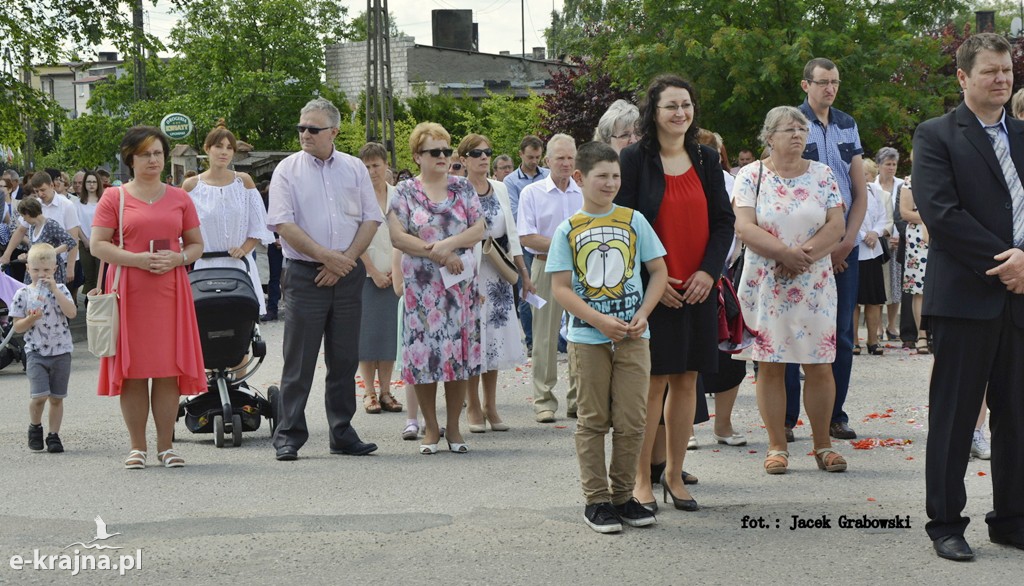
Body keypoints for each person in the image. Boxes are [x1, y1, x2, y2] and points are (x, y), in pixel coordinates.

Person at [913, 32, 1024, 561]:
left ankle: (1011, 518)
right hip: (964, 298)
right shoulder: (937, 135)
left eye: (1007, 70)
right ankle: (946, 524)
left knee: (1018, 416)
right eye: (990, 72)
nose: (1001, 79)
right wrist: (1010, 261)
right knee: (955, 416)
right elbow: (942, 212)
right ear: (963, 77)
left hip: (1021, 299)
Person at [616, 75, 735, 512]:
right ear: (654, 111)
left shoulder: (705, 158)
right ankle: (641, 479)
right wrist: (653, 284)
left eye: (686, 105)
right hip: (655, 292)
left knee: (688, 384)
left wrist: (709, 271)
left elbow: (724, 222)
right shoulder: (633, 159)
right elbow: (624, 225)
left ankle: (674, 474)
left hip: (700, 288)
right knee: (653, 385)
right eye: (671, 106)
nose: (680, 113)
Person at [548, 141, 668, 533]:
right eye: (602, 176)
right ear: (580, 178)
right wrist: (599, 321)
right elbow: (561, 289)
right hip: (588, 338)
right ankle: (596, 500)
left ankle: (622, 496)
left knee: (633, 419)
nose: (611, 183)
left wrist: (643, 313)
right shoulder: (568, 229)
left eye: (616, 176)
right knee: (593, 419)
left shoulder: (634, 220)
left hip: (635, 336)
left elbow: (659, 272)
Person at [734, 105, 848, 475]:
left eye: (802, 129)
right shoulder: (752, 175)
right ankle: (776, 445)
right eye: (789, 129)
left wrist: (802, 257)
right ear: (770, 138)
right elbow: (745, 226)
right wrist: (783, 253)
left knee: (818, 364)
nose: (799, 135)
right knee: (770, 365)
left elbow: (836, 225)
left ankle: (823, 446)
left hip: (813, 282)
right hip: (767, 282)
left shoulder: (823, 174)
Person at [267, 98, 383, 461]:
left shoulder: (353, 168)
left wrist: (344, 261)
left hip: (347, 275)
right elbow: (283, 224)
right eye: (301, 127)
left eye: (313, 129)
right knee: (298, 360)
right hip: (304, 274)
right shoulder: (287, 170)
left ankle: (342, 432)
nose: (304, 134)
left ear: (333, 131)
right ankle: (288, 434)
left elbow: (370, 218)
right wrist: (326, 257)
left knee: (345, 358)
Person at [91, 125, 207, 469]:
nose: (153, 159)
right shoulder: (115, 197)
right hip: (130, 290)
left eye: (157, 153)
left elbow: (197, 244)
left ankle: (166, 446)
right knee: (134, 372)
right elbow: (98, 245)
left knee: (169, 370)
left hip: (171, 291)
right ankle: (137, 447)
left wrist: (179, 258)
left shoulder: (180, 197)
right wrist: (139, 260)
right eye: (145, 154)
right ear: (131, 159)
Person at [388, 122, 485, 455]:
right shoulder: (404, 192)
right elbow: (398, 237)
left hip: (460, 291)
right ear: (418, 156)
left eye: (447, 150)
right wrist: (439, 254)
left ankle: (454, 429)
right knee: (425, 359)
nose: (443, 156)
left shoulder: (463, 188)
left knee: (458, 360)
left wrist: (448, 246)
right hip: (423, 291)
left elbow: (479, 228)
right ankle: (430, 427)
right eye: (435, 151)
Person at [785, 57, 868, 442]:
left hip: (845, 244)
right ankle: (786, 417)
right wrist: (821, 248)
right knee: (791, 331)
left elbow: (859, 192)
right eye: (822, 82)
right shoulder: (792, 123)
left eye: (835, 82)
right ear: (806, 85)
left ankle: (836, 414)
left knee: (842, 334)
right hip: (804, 246)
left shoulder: (847, 124)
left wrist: (847, 242)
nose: (829, 89)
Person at [458, 133, 530, 433]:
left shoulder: (499, 188)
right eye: (476, 153)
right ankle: (472, 405)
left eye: (487, 152)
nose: (484, 157)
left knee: (494, 342)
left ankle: (491, 404)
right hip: (469, 275)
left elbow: (511, 234)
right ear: (463, 160)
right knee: (475, 341)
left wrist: (524, 274)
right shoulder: (457, 190)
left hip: (498, 274)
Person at [517, 133, 583, 423]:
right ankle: (544, 400)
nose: (566, 163)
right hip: (545, 267)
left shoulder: (583, 192)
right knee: (544, 335)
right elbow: (527, 236)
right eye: (560, 158)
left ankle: (577, 399)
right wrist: (567, 243)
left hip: (582, 270)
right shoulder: (531, 193)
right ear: (547, 161)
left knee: (581, 334)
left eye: (570, 158)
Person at [183, 123, 273, 317]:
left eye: (229, 147)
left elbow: (258, 226)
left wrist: (244, 249)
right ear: (207, 149)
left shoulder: (244, 181)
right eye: (218, 146)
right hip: (205, 266)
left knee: (240, 327)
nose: (224, 152)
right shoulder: (191, 186)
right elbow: (182, 230)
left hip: (239, 264)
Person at [10, 243, 77, 453]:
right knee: (39, 397)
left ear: (54, 270)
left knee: (57, 398)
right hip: (36, 351)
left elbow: (72, 313)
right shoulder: (22, 293)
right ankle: (35, 427)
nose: (41, 274)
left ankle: (54, 435)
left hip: (61, 350)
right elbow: (18, 327)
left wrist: (55, 289)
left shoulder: (62, 289)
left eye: (46, 270)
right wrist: (30, 319)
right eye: (36, 270)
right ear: (28, 268)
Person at [355, 142, 403, 416]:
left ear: (386, 165)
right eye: (367, 166)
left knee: (389, 336)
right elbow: (352, 238)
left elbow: (407, 233)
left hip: (394, 273)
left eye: (376, 165)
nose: (372, 171)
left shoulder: (399, 195)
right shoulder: (356, 196)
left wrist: (395, 271)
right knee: (366, 337)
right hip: (365, 274)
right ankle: (369, 392)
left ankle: (386, 391)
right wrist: (372, 270)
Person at [505, 135, 549, 353]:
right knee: (527, 289)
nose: (534, 161)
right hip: (524, 243)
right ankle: (532, 341)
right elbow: (514, 214)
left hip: (546, 240)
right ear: (520, 154)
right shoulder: (511, 182)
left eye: (538, 157)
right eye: (530, 157)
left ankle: (551, 338)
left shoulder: (548, 176)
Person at [2, 172, 81, 287]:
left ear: (52, 186)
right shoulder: (35, 205)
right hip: (37, 266)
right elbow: (20, 230)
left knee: (64, 297)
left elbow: (73, 238)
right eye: (37, 191)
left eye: (43, 190)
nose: (40, 194)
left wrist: (70, 267)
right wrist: (7, 254)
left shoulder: (67, 205)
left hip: (59, 263)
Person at [852, 159, 890, 356]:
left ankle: (873, 341)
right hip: (855, 250)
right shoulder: (849, 191)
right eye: (864, 174)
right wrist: (861, 236)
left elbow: (883, 217)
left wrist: (875, 233)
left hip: (873, 252)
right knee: (854, 301)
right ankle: (853, 341)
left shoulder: (875, 192)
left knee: (874, 300)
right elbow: (846, 218)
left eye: (868, 175)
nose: (867, 179)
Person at [873, 147, 904, 340]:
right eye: (888, 164)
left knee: (896, 284)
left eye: (894, 164)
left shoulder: (902, 185)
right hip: (877, 243)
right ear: (879, 165)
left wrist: (900, 236)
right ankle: (877, 326)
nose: (891, 168)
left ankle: (892, 326)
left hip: (898, 241)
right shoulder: (871, 186)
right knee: (879, 285)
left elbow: (904, 214)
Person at [899, 170, 930, 354]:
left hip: (942, 234)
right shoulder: (910, 181)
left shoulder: (947, 174)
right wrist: (932, 215)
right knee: (919, 289)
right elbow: (905, 213)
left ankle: (937, 334)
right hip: (918, 238)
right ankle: (922, 336)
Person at [13, 197, 76, 284]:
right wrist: (28, 255)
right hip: (35, 271)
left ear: (28, 214)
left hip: (49, 272)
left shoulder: (50, 224)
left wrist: (51, 252)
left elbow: (71, 241)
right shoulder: (32, 226)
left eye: (23, 216)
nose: (23, 219)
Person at [75, 171, 103, 301]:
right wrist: (85, 240)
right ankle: (89, 301)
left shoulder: (103, 201)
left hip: (101, 243)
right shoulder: (78, 203)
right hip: (84, 243)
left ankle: (100, 300)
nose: (91, 185)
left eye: (94, 182)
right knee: (89, 275)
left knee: (100, 275)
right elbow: (76, 224)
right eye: (88, 182)